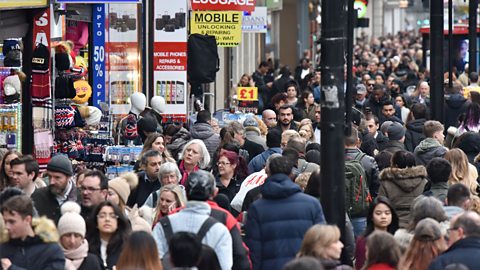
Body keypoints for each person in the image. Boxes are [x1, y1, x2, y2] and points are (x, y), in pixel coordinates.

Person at [245, 155, 326, 270]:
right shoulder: (311, 204)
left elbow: (254, 248)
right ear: (291, 174)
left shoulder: (257, 208)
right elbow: (321, 241)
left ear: (268, 172)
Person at [152, 170, 233, 270]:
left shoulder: (163, 225)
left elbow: (153, 263)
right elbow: (225, 266)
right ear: (214, 193)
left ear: (185, 192)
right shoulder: (220, 230)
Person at [0, 195, 65, 270]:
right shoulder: (3, 249)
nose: (7, 226)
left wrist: (11, 268)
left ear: (27, 220)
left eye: (12, 222)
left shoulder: (51, 250)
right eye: (5, 222)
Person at [378, 150, 428, 228]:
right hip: (418, 225)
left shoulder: (386, 183)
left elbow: (381, 205)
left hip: (393, 226)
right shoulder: (424, 182)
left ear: (395, 165)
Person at [31, 155, 78, 224]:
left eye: (57, 177)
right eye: (49, 177)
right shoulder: (38, 196)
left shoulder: (80, 198)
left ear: (68, 177)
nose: (52, 182)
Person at [355, 196, 399, 270]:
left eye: (387, 213)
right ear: (371, 216)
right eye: (378, 213)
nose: (383, 216)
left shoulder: (397, 238)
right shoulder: (363, 241)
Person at [86, 201, 131, 270]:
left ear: (118, 222)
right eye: (102, 216)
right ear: (96, 221)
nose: (107, 219)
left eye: (112, 216)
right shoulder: (87, 246)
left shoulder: (126, 247)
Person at [57, 202, 101, 270]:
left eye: (77, 236)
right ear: (60, 237)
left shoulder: (92, 262)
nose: (72, 241)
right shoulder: (51, 260)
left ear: (82, 238)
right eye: (68, 235)